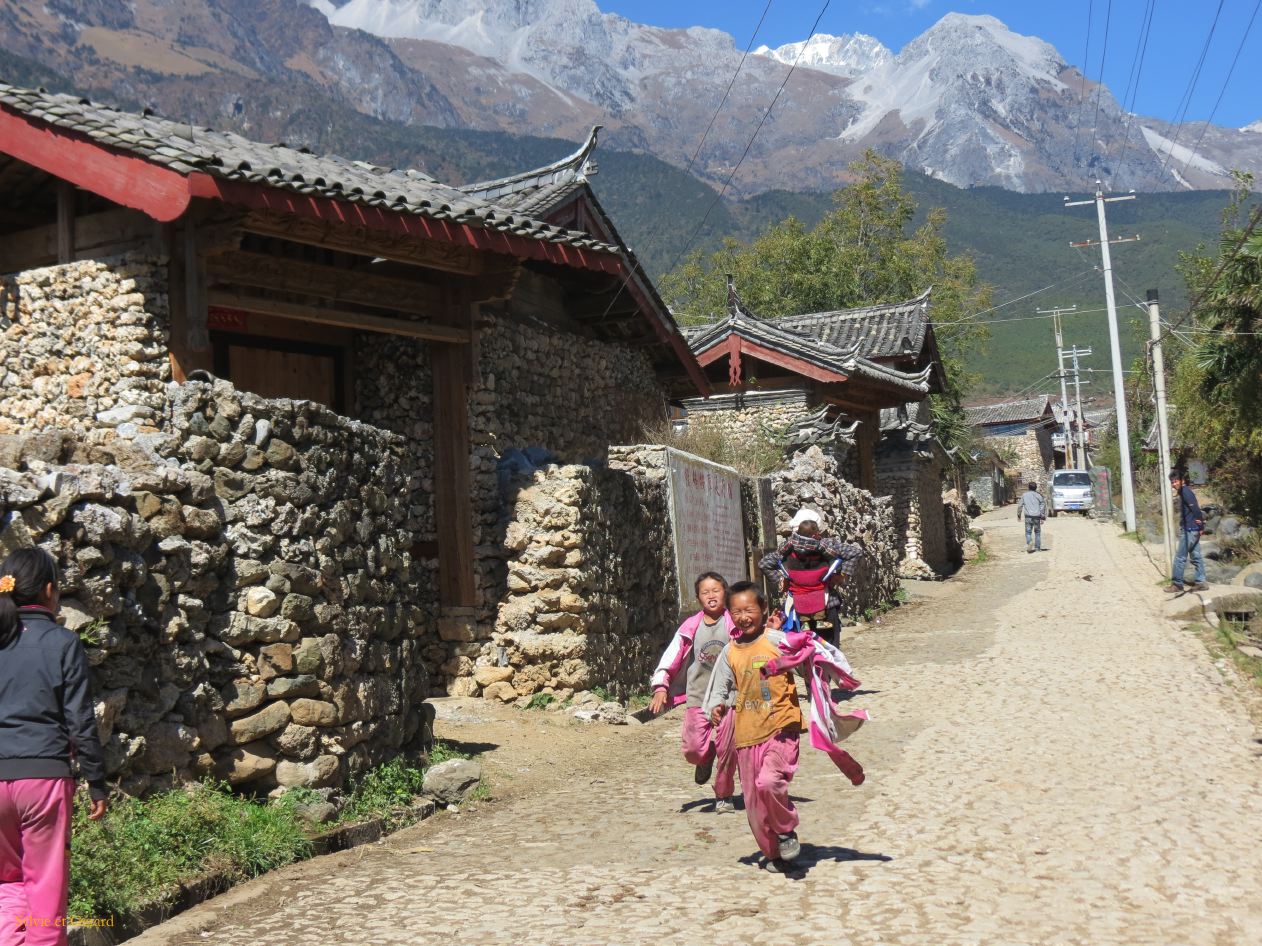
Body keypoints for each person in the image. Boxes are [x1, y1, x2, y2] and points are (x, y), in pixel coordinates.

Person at [703, 581, 867, 873]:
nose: (743, 616)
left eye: (749, 610)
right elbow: (720, 687)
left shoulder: (778, 641)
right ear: (730, 615)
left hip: (781, 728)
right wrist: (717, 706)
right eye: (737, 611)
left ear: (763, 610)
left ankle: (785, 829)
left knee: (769, 782)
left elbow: (807, 659)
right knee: (753, 804)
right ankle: (774, 852)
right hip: (747, 735)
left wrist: (819, 681)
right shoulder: (730, 652)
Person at [0, 548, 108, 945]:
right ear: (49, 591)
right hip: (43, 781)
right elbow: (80, 720)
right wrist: (96, 782)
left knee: (6, 886)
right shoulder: (62, 642)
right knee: (45, 892)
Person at [648, 572, 737, 813]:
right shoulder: (690, 627)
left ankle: (724, 795)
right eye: (705, 592)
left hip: (729, 698)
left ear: (725, 593)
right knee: (693, 751)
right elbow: (672, 654)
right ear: (698, 597)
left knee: (728, 748)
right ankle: (705, 758)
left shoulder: (734, 624)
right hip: (698, 696)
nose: (711, 596)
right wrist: (661, 686)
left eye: (716, 590)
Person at [758, 508, 863, 646]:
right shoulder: (828, 545)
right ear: (817, 531)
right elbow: (855, 553)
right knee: (829, 651)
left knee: (802, 649)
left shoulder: (787, 547)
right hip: (827, 605)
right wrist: (840, 575)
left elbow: (764, 563)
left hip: (797, 608)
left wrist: (782, 580)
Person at [1166, 470, 1208, 593]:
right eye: (1172, 482)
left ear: (1182, 481)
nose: (1174, 484)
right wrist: (1199, 528)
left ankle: (1177, 584)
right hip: (1192, 530)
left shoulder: (1185, 492)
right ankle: (1201, 582)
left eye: (1176, 481)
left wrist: (1200, 527)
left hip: (1189, 530)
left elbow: (1196, 510)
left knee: (1180, 558)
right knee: (1196, 556)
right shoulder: (1183, 492)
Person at [1017, 481, 1047, 553]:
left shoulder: (1024, 495)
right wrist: (1042, 517)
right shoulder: (1039, 496)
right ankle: (1037, 548)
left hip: (1028, 517)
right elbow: (1043, 506)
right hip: (1037, 516)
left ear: (1028, 487)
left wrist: (1019, 515)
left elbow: (1020, 506)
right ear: (1036, 488)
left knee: (1028, 532)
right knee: (1037, 532)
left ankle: (1029, 542)